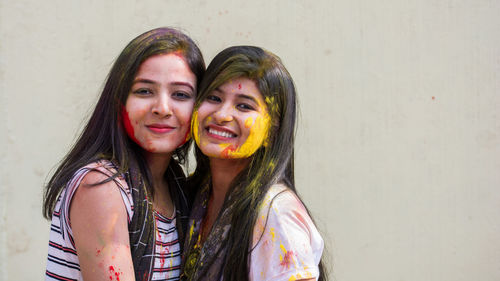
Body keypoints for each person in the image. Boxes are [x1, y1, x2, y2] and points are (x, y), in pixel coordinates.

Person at [43, 27, 205, 281]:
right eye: (144, 91)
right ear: (120, 102)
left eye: (181, 95)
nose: (162, 108)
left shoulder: (176, 184)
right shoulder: (101, 185)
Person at [182, 46, 326, 281]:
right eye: (214, 98)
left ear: (273, 130)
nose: (222, 114)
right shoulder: (194, 195)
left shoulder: (276, 213)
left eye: (244, 106)